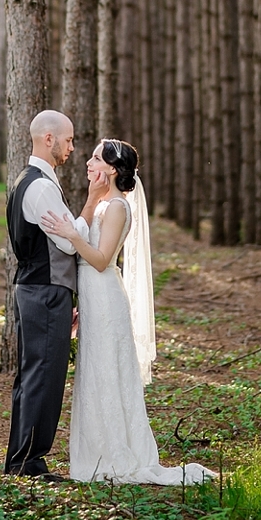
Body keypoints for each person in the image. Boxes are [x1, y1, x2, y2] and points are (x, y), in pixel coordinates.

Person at [42, 139, 215, 485]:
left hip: (106, 298)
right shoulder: (104, 203)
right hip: (93, 298)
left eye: (95, 157)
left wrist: (70, 236)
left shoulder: (118, 207)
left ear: (112, 169)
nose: (88, 162)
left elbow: (102, 260)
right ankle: (97, 453)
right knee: (95, 373)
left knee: (107, 371)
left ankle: (116, 454)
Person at [3, 110, 101, 482]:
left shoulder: (31, 181)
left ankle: (22, 459)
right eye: (69, 140)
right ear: (49, 138)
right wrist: (90, 203)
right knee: (43, 375)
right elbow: (69, 240)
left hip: (40, 289)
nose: (72, 148)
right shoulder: (41, 187)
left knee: (35, 375)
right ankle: (28, 463)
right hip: (44, 292)